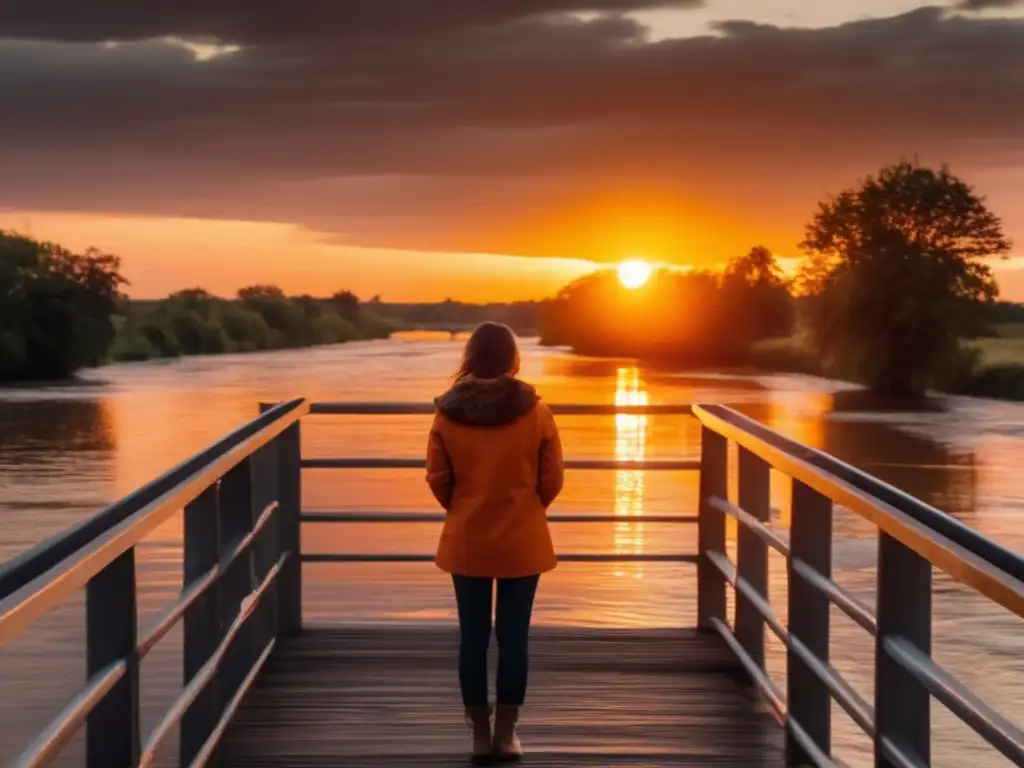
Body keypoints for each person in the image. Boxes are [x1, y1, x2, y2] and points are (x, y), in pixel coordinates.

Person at [426, 322, 564, 764]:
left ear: (471, 356)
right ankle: (507, 736)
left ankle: (479, 737)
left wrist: (463, 506)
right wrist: (527, 506)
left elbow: (438, 478)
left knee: (472, 638)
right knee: (513, 636)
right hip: (522, 538)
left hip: (467, 537)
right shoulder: (537, 412)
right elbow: (552, 479)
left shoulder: (447, 413)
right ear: (511, 358)